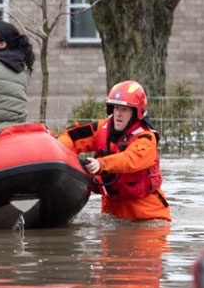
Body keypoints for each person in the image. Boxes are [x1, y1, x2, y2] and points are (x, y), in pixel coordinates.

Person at [57, 80, 171, 221]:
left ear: (135, 113)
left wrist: (101, 164)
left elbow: (130, 160)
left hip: (148, 217)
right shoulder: (101, 128)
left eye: (124, 110)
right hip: (113, 214)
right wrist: (60, 156)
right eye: (116, 108)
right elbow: (71, 137)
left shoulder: (146, 138)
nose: (118, 114)